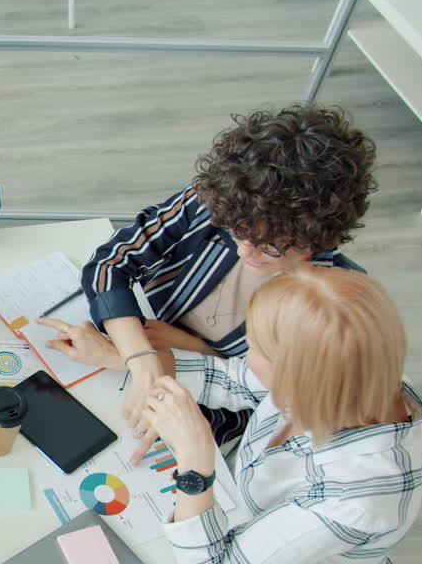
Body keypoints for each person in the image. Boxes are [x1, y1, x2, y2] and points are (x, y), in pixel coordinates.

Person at [43, 267, 422, 564]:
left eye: (258, 347)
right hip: (240, 518)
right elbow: (235, 379)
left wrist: (195, 462)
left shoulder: (360, 500)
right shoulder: (352, 371)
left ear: (299, 375)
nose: (246, 353)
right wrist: (119, 356)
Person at [55, 105, 376, 443]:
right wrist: (142, 358)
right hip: (130, 353)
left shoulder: (335, 300)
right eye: (237, 231)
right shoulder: (227, 200)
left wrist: (187, 348)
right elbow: (111, 264)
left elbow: (268, 397)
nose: (245, 251)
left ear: (318, 236)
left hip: (200, 412)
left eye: (270, 246)